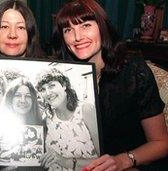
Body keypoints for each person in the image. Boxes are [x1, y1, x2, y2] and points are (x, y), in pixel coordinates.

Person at [53, 0, 168, 170]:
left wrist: (124, 160)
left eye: (85, 26)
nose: (77, 37)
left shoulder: (133, 71)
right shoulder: (60, 78)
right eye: (68, 30)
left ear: (102, 27)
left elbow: (161, 143)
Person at [35, 67, 99, 170]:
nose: (48, 93)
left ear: (64, 85)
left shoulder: (86, 110)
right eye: (43, 89)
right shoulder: (47, 119)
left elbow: (105, 161)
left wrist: (64, 161)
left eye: (51, 86)